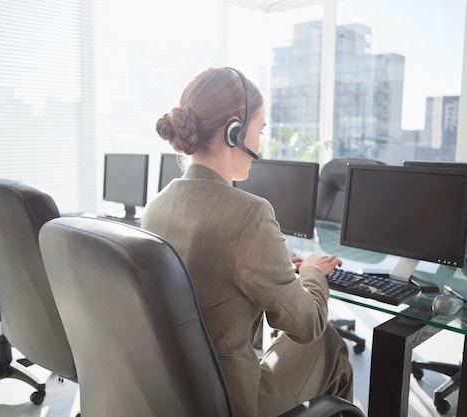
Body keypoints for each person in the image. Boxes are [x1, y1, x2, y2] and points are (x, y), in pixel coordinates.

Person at [141, 67, 353, 417]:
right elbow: (307, 325)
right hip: (230, 401)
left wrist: (272, 262)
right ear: (234, 131)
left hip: (172, 395)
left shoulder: (156, 206)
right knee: (327, 342)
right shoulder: (249, 215)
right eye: (260, 130)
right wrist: (312, 273)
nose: (260, 142)